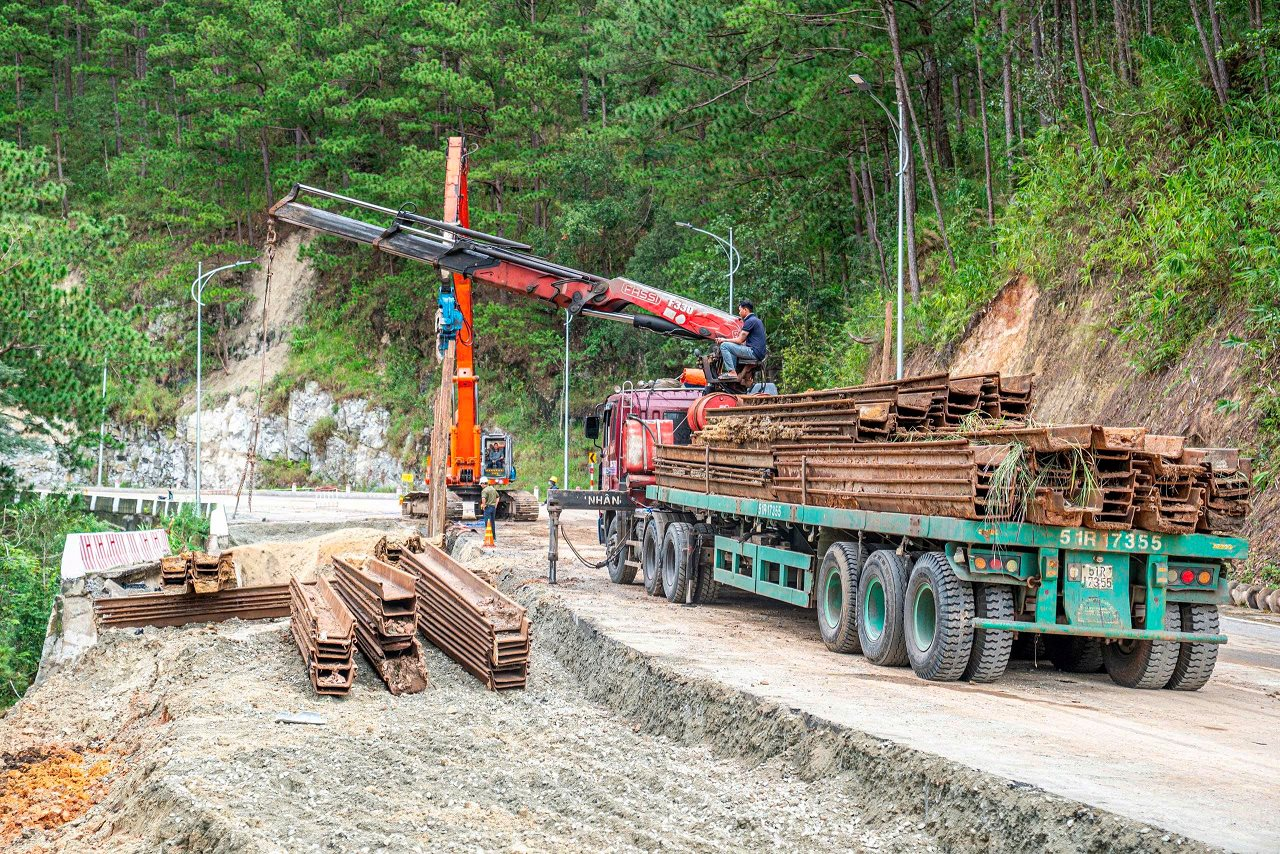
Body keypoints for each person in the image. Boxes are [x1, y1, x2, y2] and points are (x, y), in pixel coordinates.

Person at [715, 300, 766, 380]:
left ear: (745, 310)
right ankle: (737, 373)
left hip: (754, 352)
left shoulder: (750, 321)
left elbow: (739, 340)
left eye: (740, 310)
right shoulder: (756, 320)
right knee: (732, 346)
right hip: (759, 353)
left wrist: (723, 340)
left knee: (724, 346)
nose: (739, 313)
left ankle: (732, 372)